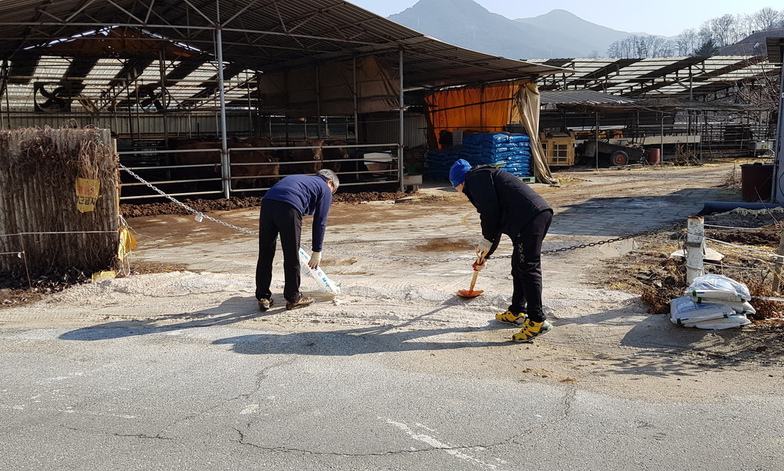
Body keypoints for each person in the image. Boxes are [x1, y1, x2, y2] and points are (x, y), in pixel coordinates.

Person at [449, 159, 554, 343]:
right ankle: (517, 311)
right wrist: (486, 254)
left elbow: (489, 213)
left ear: (459, 182)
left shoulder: (476, 179)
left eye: (455, 187)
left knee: (528, 268)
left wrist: (486, 240)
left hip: (530, 219)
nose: (458, 192)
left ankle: (537, 320)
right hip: (532, 217)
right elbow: (494, 220)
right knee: (518, 266)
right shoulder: (483, 178)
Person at [256, 169, 339, 311]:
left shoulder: (302, 179)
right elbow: (320, 221)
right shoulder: (325, 188)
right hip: (289, 206)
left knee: (265, 252)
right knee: (291, 253)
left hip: (268, 203)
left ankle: (263, 296)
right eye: (333, 191)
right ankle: (293, 297)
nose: (330, 195)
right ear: (330, 182)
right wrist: (317, 250)